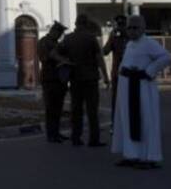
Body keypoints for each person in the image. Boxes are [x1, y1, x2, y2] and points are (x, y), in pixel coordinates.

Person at [112, 15, 171, 169]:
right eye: (130, 28)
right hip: (126, 87)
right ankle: (131, 155)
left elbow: (166, 57)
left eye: (135, 28)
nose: (132, 31)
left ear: (143, 29)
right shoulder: (130, 44)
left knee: (145, 120)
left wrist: (149, 71)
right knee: (126, 121)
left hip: (142, 87)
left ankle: (148, 157)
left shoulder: (149, 43)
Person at [64, 15, 110, 147]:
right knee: (92, 110)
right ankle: (94, 139)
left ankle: (76, 138)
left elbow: (56, 53)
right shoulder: (91, 39)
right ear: (85, 24)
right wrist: (106, 77)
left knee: (76, 109)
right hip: (90, 78)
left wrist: (65, 62)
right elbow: (99, 59)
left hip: (74, 78)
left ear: (76, 23)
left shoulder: (68, 39)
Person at [37, 20, 70, 143]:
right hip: (49, 78)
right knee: (51, 108)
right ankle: (51, 134)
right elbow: (46, 57)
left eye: (61, 33)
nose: (60, 35)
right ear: (53, 31)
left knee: (58, 107)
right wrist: (61, 60)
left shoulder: (56, 43)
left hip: (59, 79)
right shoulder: (44, 42)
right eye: (59, 32)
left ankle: (56, 132)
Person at [102, 15, 128, 121]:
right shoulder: (131, 34)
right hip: (130, 71)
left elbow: (105, 51)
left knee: (116, 99)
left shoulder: (114, 35)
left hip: (117, 71)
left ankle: (116, 122)